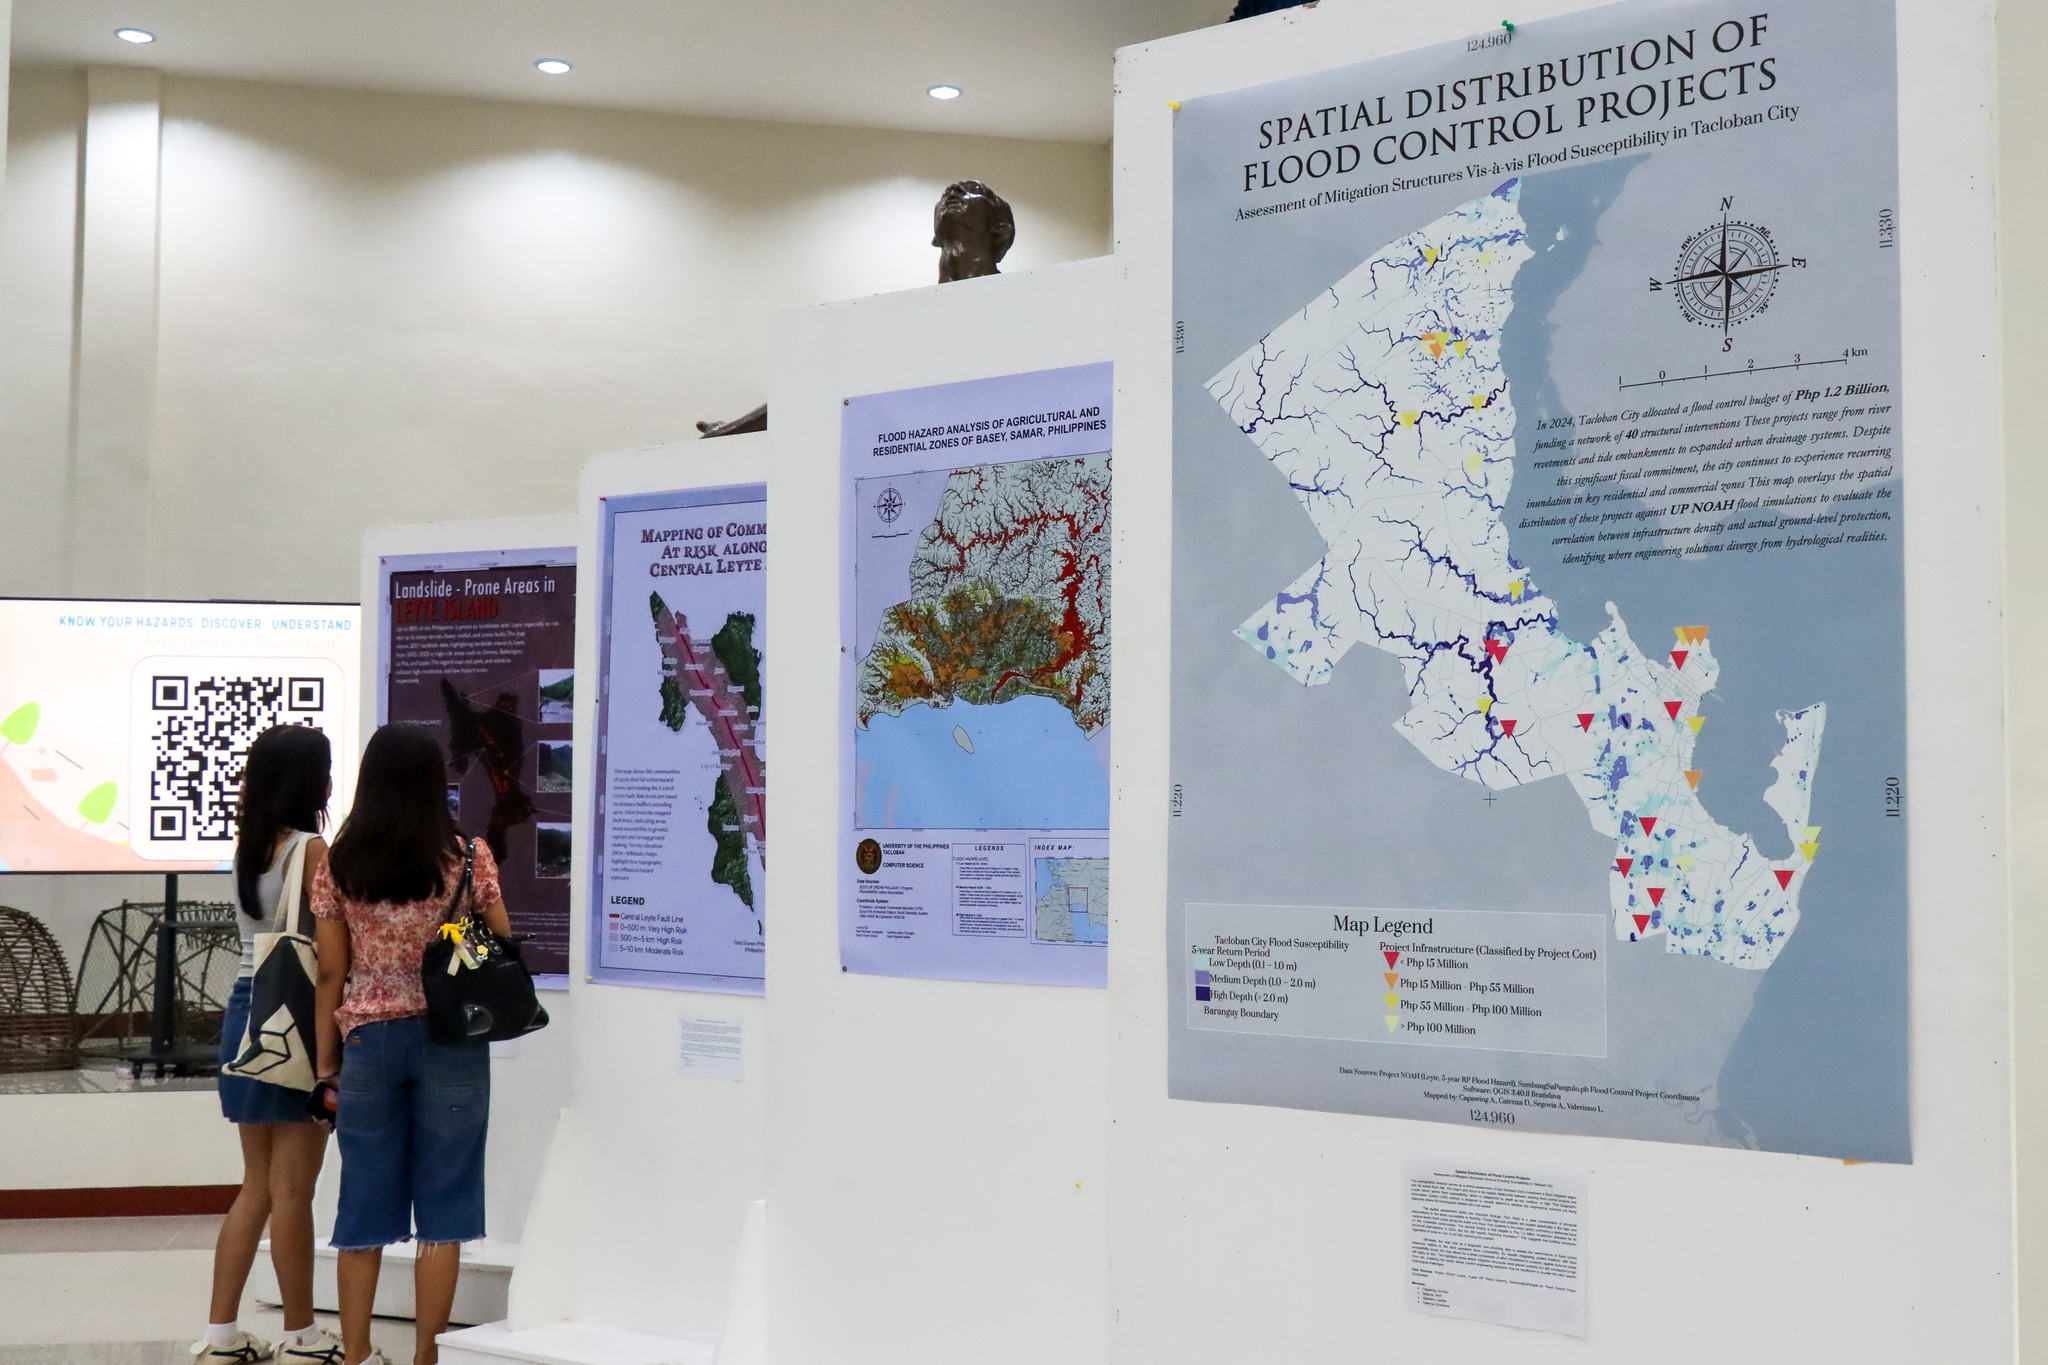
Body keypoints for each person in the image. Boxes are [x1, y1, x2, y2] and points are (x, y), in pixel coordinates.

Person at [313, 725, 513, 1365]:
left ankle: (356, 1353)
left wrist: (326, 1062)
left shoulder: (339, 864)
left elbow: (331, 971)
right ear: (435, 784)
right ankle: (427, 1354)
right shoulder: (469, 857)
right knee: (445, 1204)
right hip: (451, 1041)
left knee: (362, 1203)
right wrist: (450, 933)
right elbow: (501, 943)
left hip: (368, 1042)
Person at [199, 724, 345, 1365]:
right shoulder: (312, 850)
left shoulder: (250, 847)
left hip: (244, 1014)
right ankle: (302, 1334)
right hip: (296, 1018)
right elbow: (331, 958)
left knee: (256, 1186)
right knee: (293, 1190)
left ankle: (220, 1335)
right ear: (311, 781)